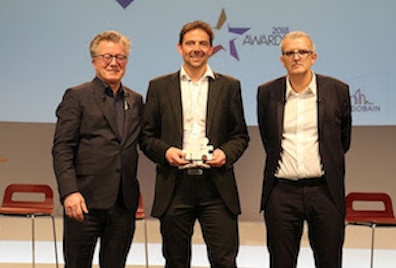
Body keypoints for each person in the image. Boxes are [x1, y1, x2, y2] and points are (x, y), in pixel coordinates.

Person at [140, 20, 249, 268]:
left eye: (202, 43)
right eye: (190, 43)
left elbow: (240, 135)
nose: (196, 48)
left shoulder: (230, 86)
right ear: (180, 48)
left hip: (217, 187)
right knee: (176, 261)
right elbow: (146, 136)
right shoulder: (159, 87)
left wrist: (224, 153)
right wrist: (166, 152)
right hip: (175, 185)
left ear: (211, 49)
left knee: (224, 260)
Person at [257, 31, 352, 268]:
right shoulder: (267, 92)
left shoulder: (337, 90)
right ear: (282, 60)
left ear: (314, 57)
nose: (296, 57)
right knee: (281, 262)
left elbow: (343, 140)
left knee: (329, 261)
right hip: (281, 192)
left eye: (302, 52)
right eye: (290, 53)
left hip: (325, 190)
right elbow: (269, 139)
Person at [52, 30, 143, 268]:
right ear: (94, 61)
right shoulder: (77, 96)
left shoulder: (135, 100)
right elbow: (62, 148)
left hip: (123, 203)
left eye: (120, 57)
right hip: (84, 202)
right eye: (107, 57)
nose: (114, 62)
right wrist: (69, 192)